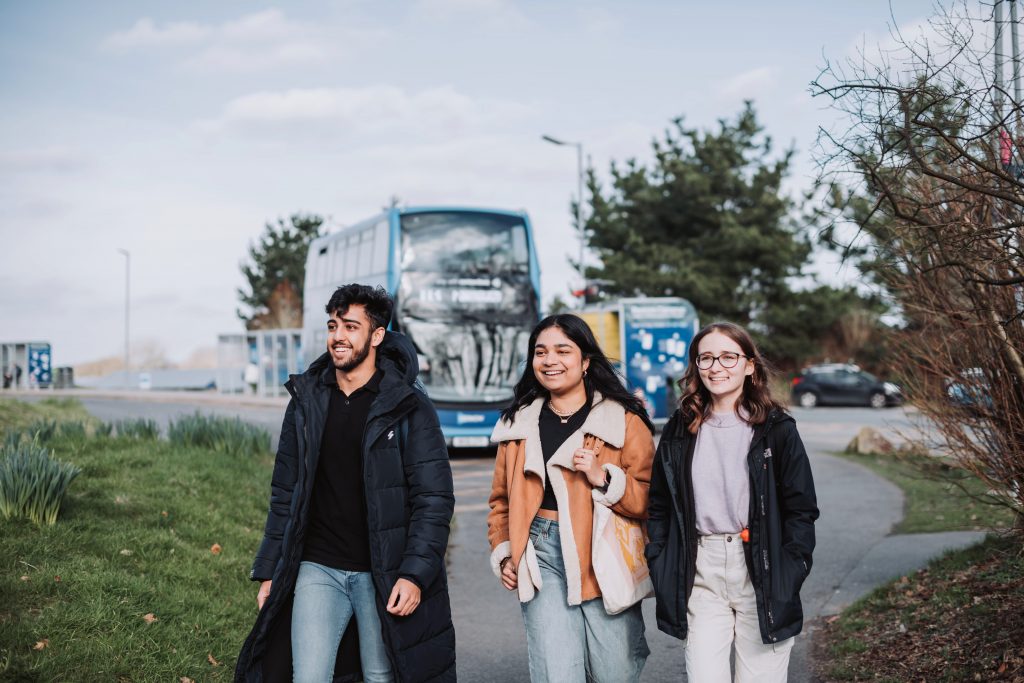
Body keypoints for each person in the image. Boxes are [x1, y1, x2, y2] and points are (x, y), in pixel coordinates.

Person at [235, 284, 456, 683]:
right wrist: (270, 569)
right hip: (318, 567)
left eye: (351, 327)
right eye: (333, 325)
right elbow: (285, 493)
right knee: (309, 676)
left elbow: (433, 498)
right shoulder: (306, 401)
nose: (338, 336)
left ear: (376, 336)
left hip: (382, 572)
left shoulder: (408, 405)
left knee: (380, 676)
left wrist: (414, 574)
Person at [646, 322, 819, 682]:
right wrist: (660, 558)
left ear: (749, 365)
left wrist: (792, 566)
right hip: (701, 570)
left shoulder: (777, 429)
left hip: (762, 567)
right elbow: (660, 505)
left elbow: (801, 508)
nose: (716, 367)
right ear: (696, 366)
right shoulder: (680, 428)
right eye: (706, 358)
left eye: (728, 356)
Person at [487, 313, 655, 683]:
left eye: (563, 351)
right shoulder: (518, 424)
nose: (550, 361)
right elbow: (500, 501)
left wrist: (604, 478)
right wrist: (505, 551)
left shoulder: (623, 421)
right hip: (541, 551)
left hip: (603, 555)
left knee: (615, 671)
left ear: (585, 362)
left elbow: (650, 498)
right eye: (540, 352)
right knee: (556, 672)